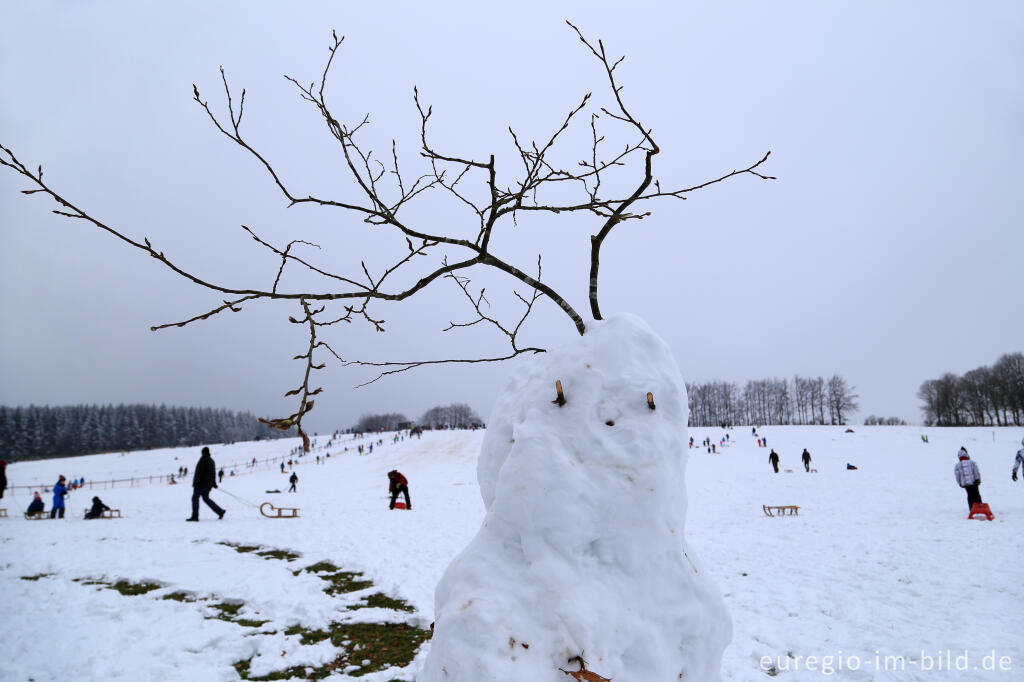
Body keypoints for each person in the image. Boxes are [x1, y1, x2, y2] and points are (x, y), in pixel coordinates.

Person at [187, 446, 225, 522]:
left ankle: (195, 516)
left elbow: (199, 474)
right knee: (206, 499)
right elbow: (213, 473)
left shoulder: (203, 460)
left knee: (195, 499)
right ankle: (220, 511)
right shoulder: (211, 461)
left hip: (200, 485)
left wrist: (196, 484)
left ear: (203, 452)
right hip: (208, 485)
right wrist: (213, 483)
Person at [954, 447, 982, 511]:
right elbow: (976, 471)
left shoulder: (957, 465)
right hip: (974, 482)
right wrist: (977, 479)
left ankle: (972, 509)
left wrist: (960, 483)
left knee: (970, 496)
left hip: (966, 484)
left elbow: (957, 476)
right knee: (976, 495)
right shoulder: (972, 462)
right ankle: (980, 508)